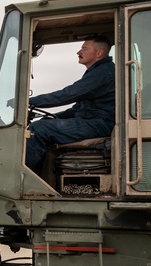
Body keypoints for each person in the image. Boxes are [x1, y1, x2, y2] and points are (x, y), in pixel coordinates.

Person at [25, 36, 115, 170]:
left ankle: (23, 179)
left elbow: (67, 95)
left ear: (99, 53)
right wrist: (54, 116)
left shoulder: (103, 72)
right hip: (94, 121)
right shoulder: (97, 72)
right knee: (44, 123)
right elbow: (77, 109)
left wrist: (27, 101)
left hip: (99, 123)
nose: (78, 52)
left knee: (38, 129)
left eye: (84, 49)